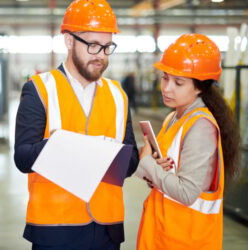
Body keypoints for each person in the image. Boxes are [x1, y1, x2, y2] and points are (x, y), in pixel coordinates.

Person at [14, 0, 139, 249]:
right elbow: (23, 158)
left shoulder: (118, 95)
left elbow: (131, 159)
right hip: (55, 229)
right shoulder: (39, 89)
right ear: (69, 41)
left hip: (107, 228)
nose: (101, 56)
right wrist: (63, 146)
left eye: (107, 47)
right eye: (93, 46)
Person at [136, 34, 241, 250]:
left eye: (178, 82)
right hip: (163, 234)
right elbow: (167, 171)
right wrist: (152, 169)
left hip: (186, 241)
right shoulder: (173, 117)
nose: (166, 88)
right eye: (165, 78)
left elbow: (186, 192)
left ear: (200, 87)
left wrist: (147, 163)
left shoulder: (201, 126)